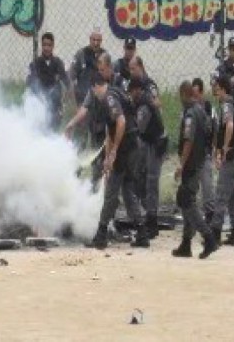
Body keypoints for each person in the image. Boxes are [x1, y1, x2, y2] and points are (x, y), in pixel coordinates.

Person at [88, 70, 149, 250]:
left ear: (96, 87)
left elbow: (121, 122)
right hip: (132, 146)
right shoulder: (117, 92)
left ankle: (101, 235)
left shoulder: (109, 97)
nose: (95, 96)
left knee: (111, 192)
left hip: (126, 149)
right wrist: (107, 157)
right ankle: (142, 233)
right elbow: (110, 131)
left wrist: (114, 151)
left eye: (93, 92)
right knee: (128, 191)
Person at [172, 80, 219, 258]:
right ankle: (186, 244)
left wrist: (181, 165)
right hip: (199, 161)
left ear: (185, 94)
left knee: (186, 199)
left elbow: (188, 141)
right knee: (186, 200)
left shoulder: (191, 114)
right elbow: (209, 134)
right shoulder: (201, 110)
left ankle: (208, 238)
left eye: (180, 96)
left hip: (191, 164)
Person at [65, 51, 114, 189]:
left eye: (102, 70)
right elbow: (85, 108)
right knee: (97, 166)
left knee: (112, 168)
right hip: (97, 131)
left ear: (110, 67)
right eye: (98, 69)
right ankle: (96, 194)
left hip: (114, 133)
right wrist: (71, 123)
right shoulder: (95, 85)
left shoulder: (117, 84)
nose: (100, 72)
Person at [129, 77, 167, 239]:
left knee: (151, 181)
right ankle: (147, 213)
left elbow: (140, 127)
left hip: (156, 144)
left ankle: (152, 221)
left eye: (131, 92)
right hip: (148, 142)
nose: (130, 95)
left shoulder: (144, 105)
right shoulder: (142, 101)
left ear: (137, 90)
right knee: (138, 176)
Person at [210, 74, 234, 246]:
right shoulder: (233, 102)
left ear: (223, 89)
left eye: (217, 88)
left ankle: (215, 232)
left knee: (221, 193)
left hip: (232, 155)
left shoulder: (227, 104)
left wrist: (225, 147)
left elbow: (230, 125)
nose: (215, 91)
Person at [25, 32, 69, 129]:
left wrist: (64, 103)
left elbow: (67, 82)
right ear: (41, 45)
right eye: (44, 45)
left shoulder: (58, 63)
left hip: (55, 105)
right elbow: (29, 82)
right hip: (40, 104)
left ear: (53, 46)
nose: (46, 48)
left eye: (49, 45)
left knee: (53, 132)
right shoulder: (35, 63)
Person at [192, 77, 216, 223]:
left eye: (196, 95)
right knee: (191, 187)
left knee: (207, 186)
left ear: (201, 93)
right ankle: (193, 217)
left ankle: (210, 216)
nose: (194, 98)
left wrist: (213, 150)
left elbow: (215, 130)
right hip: (193, 154)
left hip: (205, 152)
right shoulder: (190, 109)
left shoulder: (209, 108)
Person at [69, 28, 105, 108]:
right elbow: (71, 75)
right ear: (90, 39)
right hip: (83, 98)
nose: (96, 43)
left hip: (99, 98)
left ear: (101, 41)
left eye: (98, 40)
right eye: (94, 40)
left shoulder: (104, 55)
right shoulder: (81, 54)